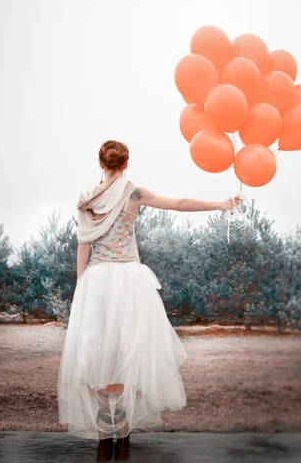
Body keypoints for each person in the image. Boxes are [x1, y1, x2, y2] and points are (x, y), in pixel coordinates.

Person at [57, 139, 242, 453]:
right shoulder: (133, 193)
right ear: (126, 164)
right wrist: (222, 204)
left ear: (100, 164)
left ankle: (106, 434)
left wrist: (81, 287)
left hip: (98, 280)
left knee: (101, 350)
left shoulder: (87, 198)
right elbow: (180, 203)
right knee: (130, 351)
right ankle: (124, 432)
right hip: (130, 279)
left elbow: (83, 245)